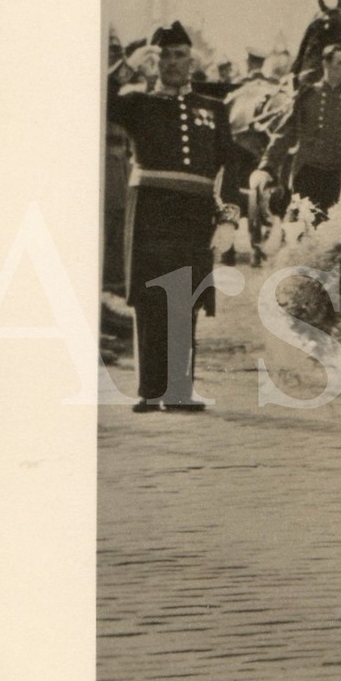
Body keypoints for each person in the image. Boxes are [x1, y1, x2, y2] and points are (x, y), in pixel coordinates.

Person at [105, 21, 244, 412]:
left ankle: (179, 389)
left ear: (191, 61)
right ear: (154, 60)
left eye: (179, 55)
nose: (171, 62)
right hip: (150, 208)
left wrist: (229, 218)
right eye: (163, 55)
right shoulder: (138, 103)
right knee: (150, 297)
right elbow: (98, 97)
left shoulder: (212, 109)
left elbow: (228, 166)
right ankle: (150, 389)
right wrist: (128, 67)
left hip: (193, 213)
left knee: (185, 297)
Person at [252, 43, 341, 215]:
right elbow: (285, 133)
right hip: (307, 176)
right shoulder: (308, 96)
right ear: (326, 64)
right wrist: (267, 166)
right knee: (300, 229)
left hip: (336, 179)